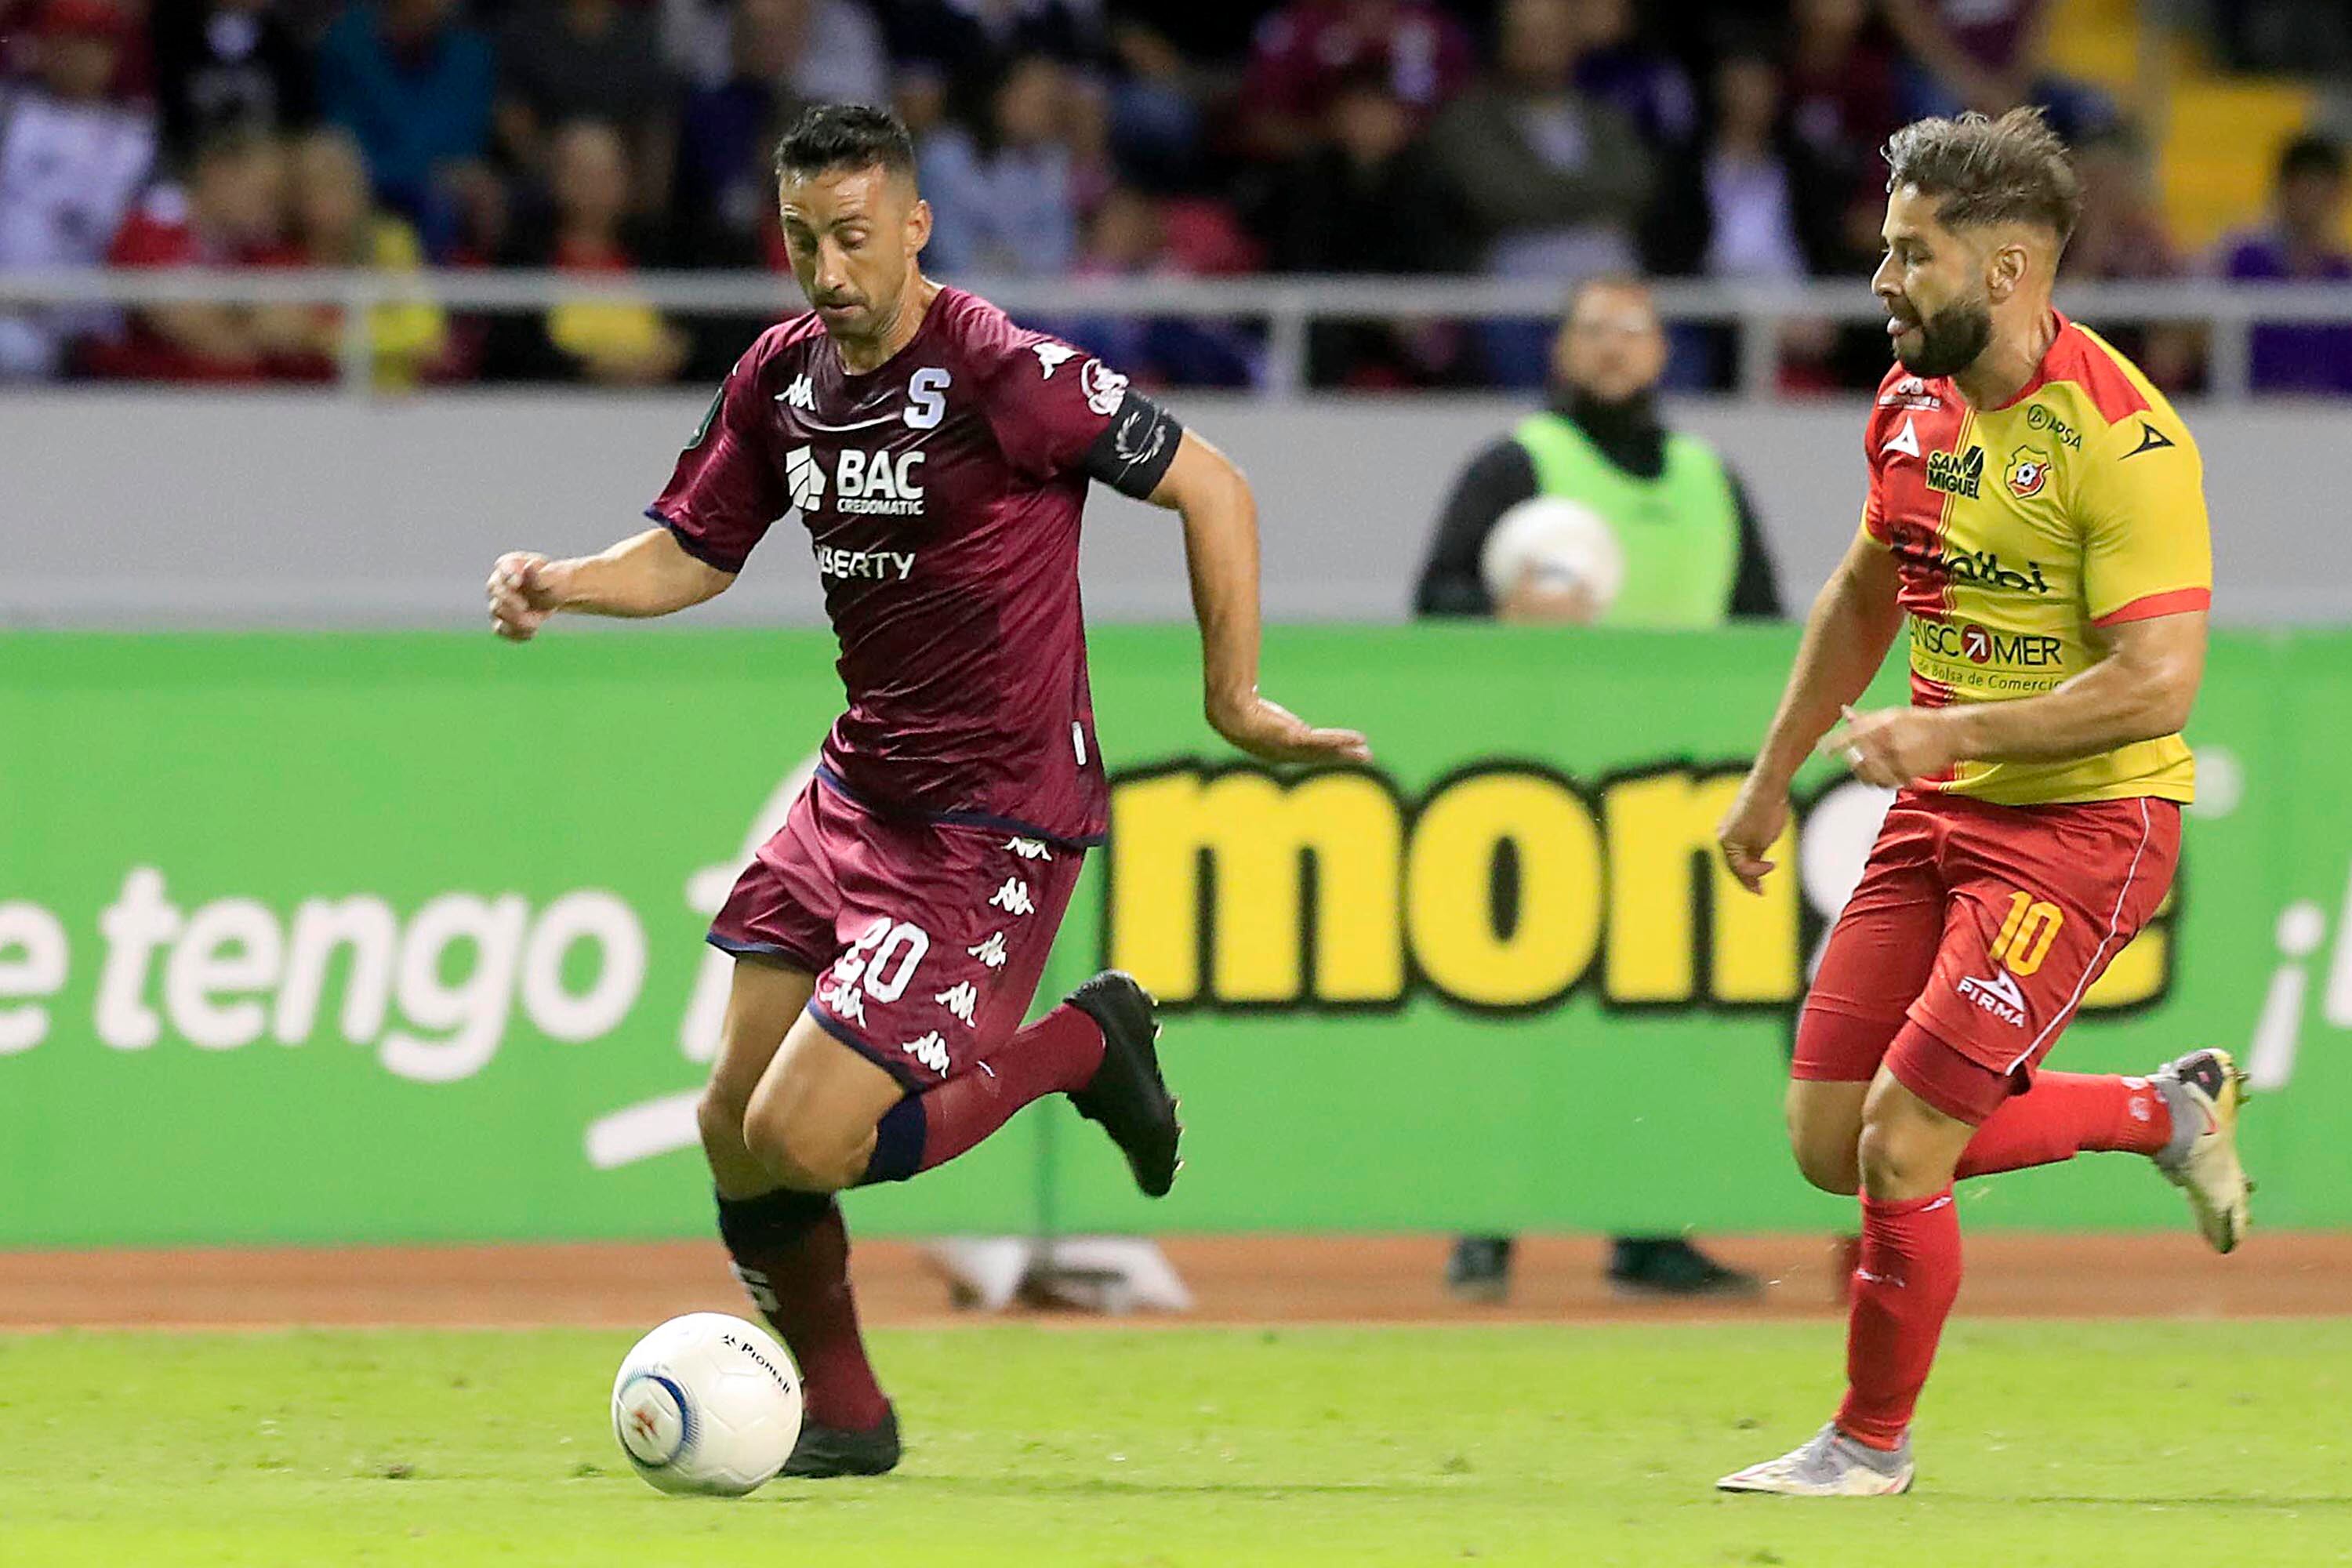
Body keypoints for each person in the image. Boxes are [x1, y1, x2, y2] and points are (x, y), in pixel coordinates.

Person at [483, 103, 1368, 1477]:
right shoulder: (782, 377)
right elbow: (694, 551)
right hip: (858, 795)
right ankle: (848, 1413)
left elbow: (1215, 486)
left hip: (995, 818)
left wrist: (1232, 700)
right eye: (799, 241)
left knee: (805, 1134)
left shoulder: (1004, 370)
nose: (827, 273)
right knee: (733, 1127)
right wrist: (566, 582)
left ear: (914, 225)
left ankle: (1088, 1042)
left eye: (851, 239)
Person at [1714, 107, 2249, 1497]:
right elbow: (1861, 595)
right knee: (1829, 1141)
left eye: (1911, 254)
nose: (1884, 282)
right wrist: (1773, 779)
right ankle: (2162, 1114)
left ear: (2007, 271)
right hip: (1944, 812)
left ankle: (1868, 1447)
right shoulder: (1908, 404)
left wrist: (1950, 733)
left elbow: (2158, 686)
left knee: (1903, 1145)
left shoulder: (2124, 444)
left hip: (2086, 827)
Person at [1415, 274, 1778, 1301]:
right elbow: (1433, 602)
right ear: (1560, 351)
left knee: (1664, 1022)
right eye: (1591, 331)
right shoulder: (1517, 466)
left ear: (1664, 351)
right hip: (1541, 794)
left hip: (1675, 802)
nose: (1613, 348)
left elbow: (1764, 626)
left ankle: (1650, 1232)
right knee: (1521, 1018)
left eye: (1632, 330)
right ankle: (1486, 1229)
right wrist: (1501, 624)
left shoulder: (1712, 479)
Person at [0, 0, 155, 380]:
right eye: (72, 43)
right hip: (11, 311)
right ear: (46, 46)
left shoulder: (140, 137)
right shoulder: (12, 117)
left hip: (93, 323)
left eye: (99, 46)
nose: (84, 58)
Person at [2218, 132, 2352, 395]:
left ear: (2337, 195)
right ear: (2283, 189)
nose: (2311, 201)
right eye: (2304, 188)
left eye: (2321, 190)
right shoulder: (2242, 262)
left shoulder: (2345, 276)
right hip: (2251, 414)